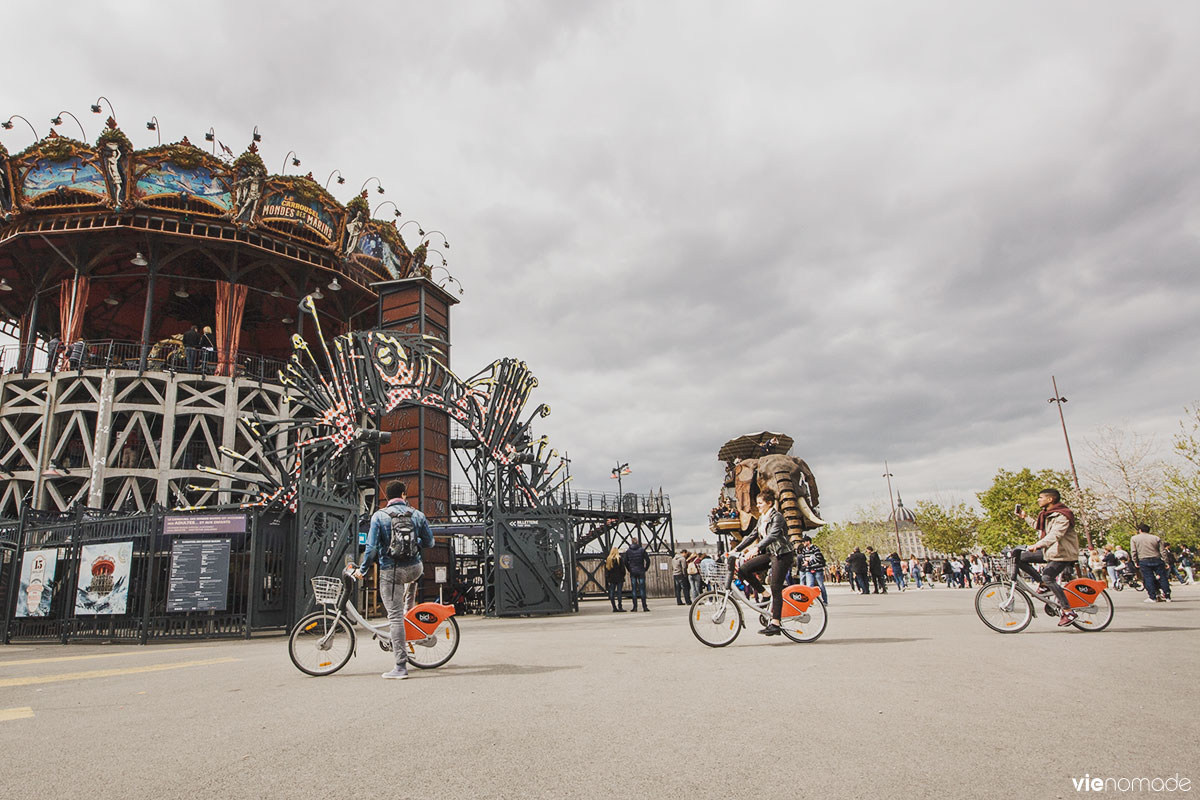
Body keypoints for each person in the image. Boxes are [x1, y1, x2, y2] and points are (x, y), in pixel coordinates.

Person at [355, 480, 434, 679]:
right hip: (415, 569)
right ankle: (411, 628)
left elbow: (372, 549)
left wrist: (363, 570)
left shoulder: (379, 516)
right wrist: (413, 541)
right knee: (405, 604)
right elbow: (430, 542)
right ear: (404, 495)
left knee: (395, 617)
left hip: (392, 571)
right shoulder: (418, 515)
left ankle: (400, 666)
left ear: (387, 497)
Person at [1015, 488, 1081, 626]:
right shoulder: (1046, 514)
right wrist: (1025, 517)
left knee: (1048, 576)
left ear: (1050, 499)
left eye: (1040, 497)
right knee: (1020, 558)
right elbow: (1038, 527)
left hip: (1063, 553)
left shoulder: (1063, 515)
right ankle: (1044, 585)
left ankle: (1068, 611)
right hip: (1051, 551)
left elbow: (1055, 534)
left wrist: (1037, 545)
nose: (1038, 500)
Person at [733, 489, 794, 636]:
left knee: (776, 586)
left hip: (782, 554)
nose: (758, 506)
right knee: (744, 569)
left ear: (769, 503)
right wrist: (736, 549)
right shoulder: (762, 518)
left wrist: (757, 548)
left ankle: (776, 623)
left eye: (760, 503)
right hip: (771, 554)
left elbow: (773, 535)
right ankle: (764, 594)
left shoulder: (777, 517)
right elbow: (752, 534)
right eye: (757, 503)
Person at [1129, 523, 1172, 603]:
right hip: (1157, 559)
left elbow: (1133, 551)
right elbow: (1163, 551)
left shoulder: (1134, 539)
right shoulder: (1156, 538)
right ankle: (1167, 595)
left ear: (1140, 530)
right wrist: (1166, 561)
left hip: (1144, 559)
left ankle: (1152, 597)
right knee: (1163, 578)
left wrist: (1135, 561)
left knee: (1149, 578)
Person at [798, 534, 828, 604]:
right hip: (808, 570)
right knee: (809, 586)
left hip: (818, 569)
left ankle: (825, 600)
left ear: (808, 542)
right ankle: (809, 601)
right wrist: (807, 561)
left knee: (821, 585)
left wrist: (809, 561)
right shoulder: (804, 550)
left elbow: (819, 558)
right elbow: (803, 558)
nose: (803, 543)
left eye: (804, 542)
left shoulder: (815, 548)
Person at [622, 539, 650, 612]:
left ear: (631, 542)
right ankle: (644, 606)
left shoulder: (628, 551)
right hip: (641, 570)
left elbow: (625, 561)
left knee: (634, 589)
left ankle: (635, 607)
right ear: (637, 542)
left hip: (633, 571)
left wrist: (629, 569)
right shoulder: (642, 550)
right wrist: (645, 568)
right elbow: (648, 560)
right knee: (642, 589)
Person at [604, 546, 626, 612]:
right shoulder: (619, 559)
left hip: (612, 578)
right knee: (619, 593)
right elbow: (623, 570)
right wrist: (622, 576)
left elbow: (607, 570)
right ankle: (620, 607)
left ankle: (614, 607)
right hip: (619, 578)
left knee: (612, 593)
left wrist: (608, 578)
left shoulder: (608, 559)